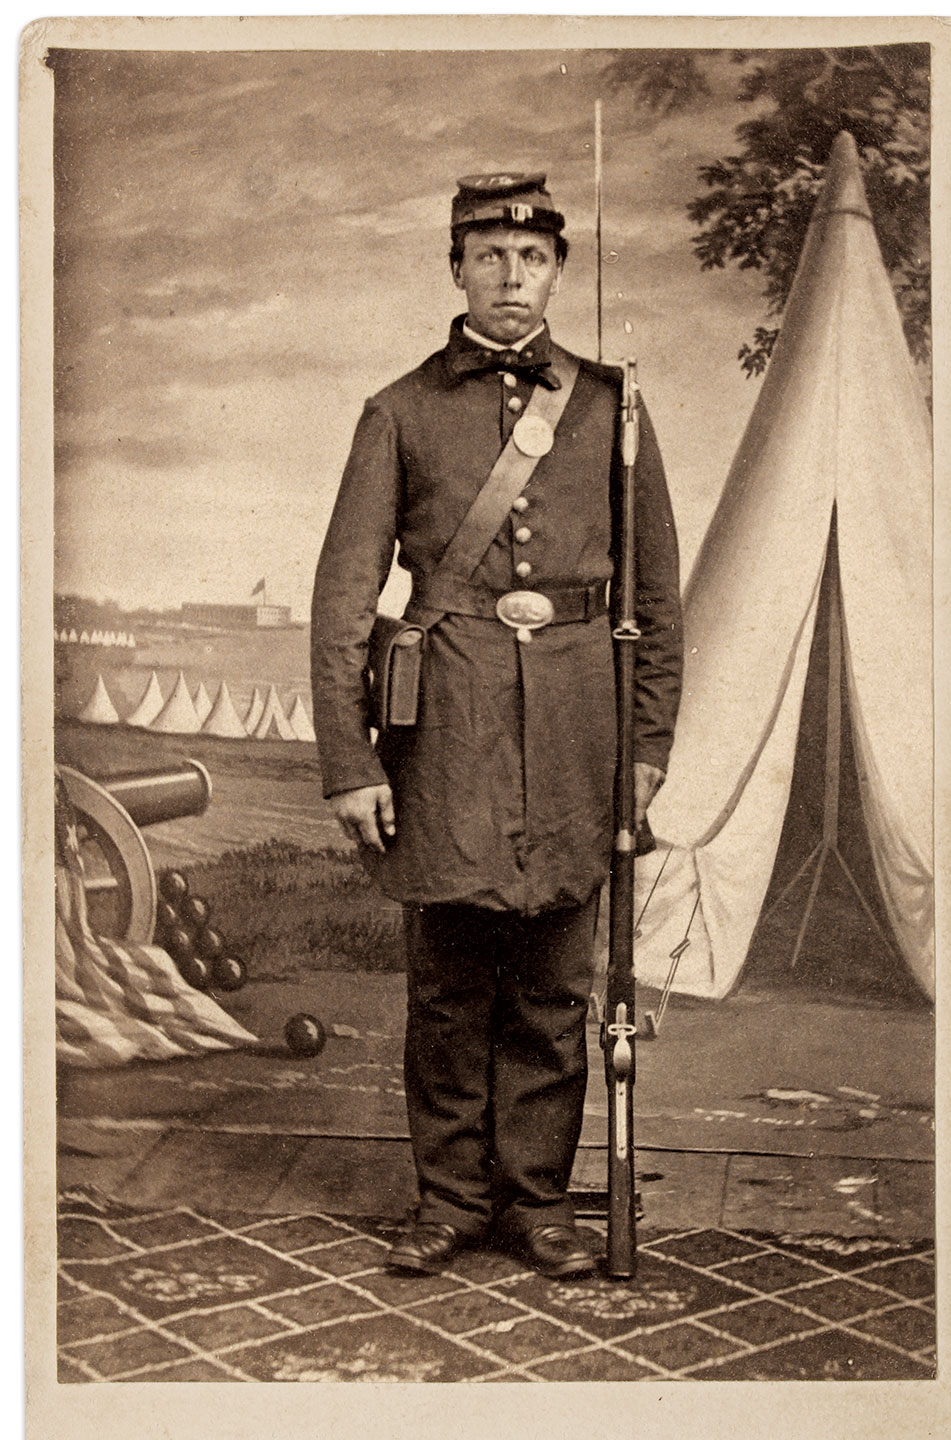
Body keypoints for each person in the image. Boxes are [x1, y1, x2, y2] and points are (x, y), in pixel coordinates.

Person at [311, 172, 682, 1279]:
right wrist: (348, 761)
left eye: (531, 258)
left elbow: (655, 596)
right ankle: (449, 1200)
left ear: (557, 271)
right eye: (488, 256)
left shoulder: (615, 406)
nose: (511, 274)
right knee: (449, 983)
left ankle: (535, 1201)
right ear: (456, 268)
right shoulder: (400, 410)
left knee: (556, 980)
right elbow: (342, 601)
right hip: (448, 722)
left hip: (579, 725)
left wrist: (649, 744)